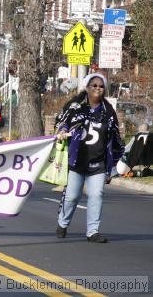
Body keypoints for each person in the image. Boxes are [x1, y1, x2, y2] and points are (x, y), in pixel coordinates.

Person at [55, 73, 124, 243]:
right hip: (76, 160)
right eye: (94, 85)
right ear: (87, 87)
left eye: (101, 86)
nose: (97, 89)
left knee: (97, 194)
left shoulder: (108, 111)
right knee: (72, 196)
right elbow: (61, 121)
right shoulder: (75, 106)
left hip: (98, 163)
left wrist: (114, 164)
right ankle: (63, 223)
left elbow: (115, 138)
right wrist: (62, 131)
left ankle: (93, 231)